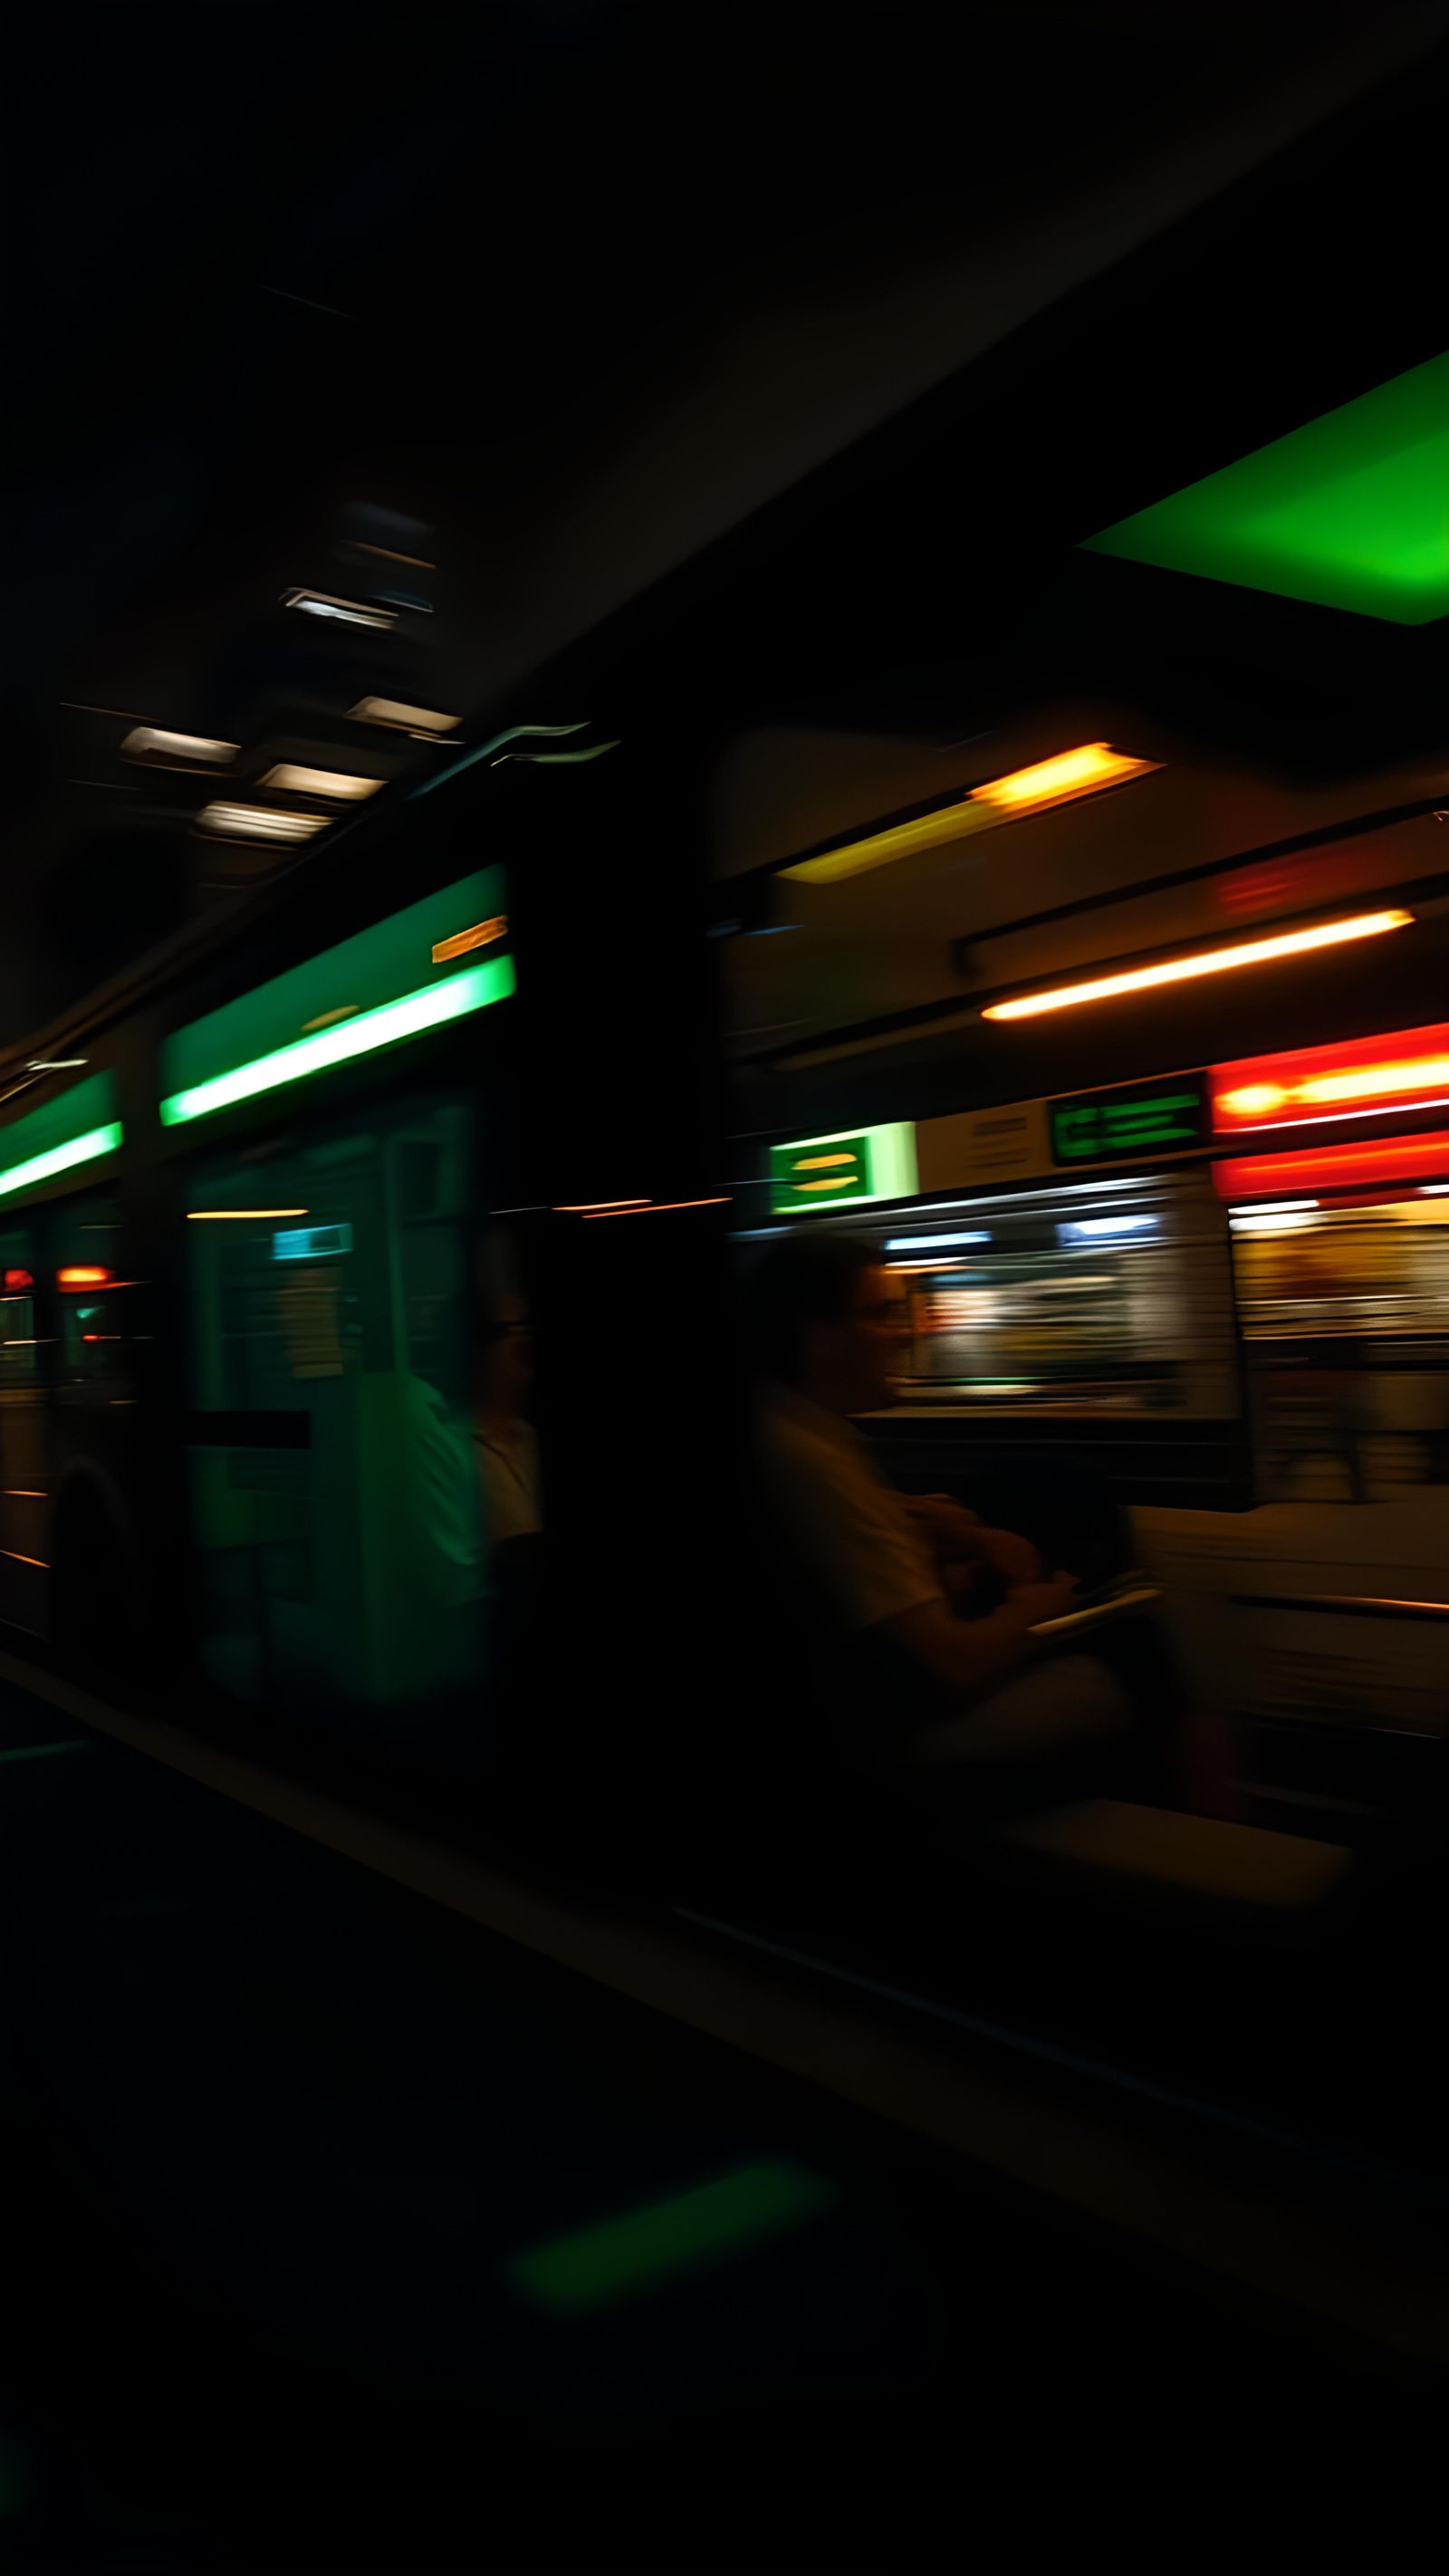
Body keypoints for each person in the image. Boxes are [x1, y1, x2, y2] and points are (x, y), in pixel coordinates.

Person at [748, 1229, 1154, 1797]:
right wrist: (1041, 1610)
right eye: (880, 1315)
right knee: (1117, 1675)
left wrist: (940, 1527)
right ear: (820, 1339)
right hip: (875, 1733)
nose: (904, 1333)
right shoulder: (817, 1464)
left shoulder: (783, 1433)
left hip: (863, 1701)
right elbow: (951, 1665)